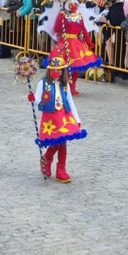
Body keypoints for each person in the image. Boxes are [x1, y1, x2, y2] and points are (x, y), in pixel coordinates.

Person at [30, 55, 87, 183]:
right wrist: (33, 99)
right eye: (54, 70)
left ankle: (58, 166)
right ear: (49, 70)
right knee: (59, 141)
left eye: (59, 70)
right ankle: (49, 160)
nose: (56, 72)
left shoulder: (64, 84)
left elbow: (70, 100)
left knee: (63, 140)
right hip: (50, 116)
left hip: (64, 114)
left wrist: (76, 118)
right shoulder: (42, 83)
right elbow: (38, 99)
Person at [48, 0, 102, 95]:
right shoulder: (78, 16)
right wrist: (89, 42)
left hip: (65, 43)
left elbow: (57, 29)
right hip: (75, 43)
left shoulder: (64, 15)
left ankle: (65, 86)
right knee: (73, 66)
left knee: (63, 65)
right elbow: (84, 31)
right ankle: (70, 87)